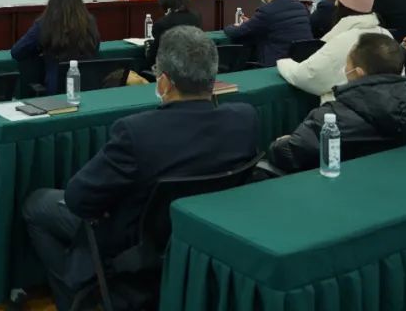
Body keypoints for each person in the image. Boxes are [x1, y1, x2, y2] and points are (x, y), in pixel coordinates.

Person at [22, 26, 258, 311]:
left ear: (164, 82)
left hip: (134, 246)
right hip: (202, 245)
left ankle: (73, 301)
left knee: (37, 204)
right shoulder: (244, 119)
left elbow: (77, 199)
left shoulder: (136, 132)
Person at [267, 33, 406, 174]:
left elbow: (289, 155)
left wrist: (281, 143)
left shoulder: (330, 118)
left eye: (348, 63)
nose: (345, 68)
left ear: (358, 72)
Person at [277, 0, 392, 101]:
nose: (335, 3)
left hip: (345, 109)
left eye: (338, 0)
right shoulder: (386, 35)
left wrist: (284, 63)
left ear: (344, 5)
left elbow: (308, 76)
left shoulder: (344, 40)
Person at [11, 0, 100, 94]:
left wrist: (40, 48)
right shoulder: (90, 22)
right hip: (90, 91)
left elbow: (17, 52)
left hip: (57, 95)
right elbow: (95, 48)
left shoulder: (45, 24)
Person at [223, 0, 312, 66]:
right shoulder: (301, 7)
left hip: (278, 63)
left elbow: (237, 32)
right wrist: (252, 22)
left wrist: (230, 27)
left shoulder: (267, 11)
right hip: (302, 61)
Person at [145, 0, 202, 66]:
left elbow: (153, 58)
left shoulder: (162, 24)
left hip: (170, 71)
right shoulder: (196, 18)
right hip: (193, 69)